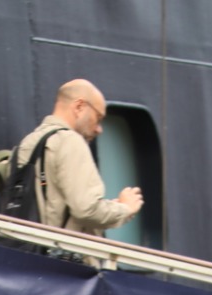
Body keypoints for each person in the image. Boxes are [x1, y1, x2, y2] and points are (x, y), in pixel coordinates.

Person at [12, 79, 142, 237]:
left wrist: (106, 207)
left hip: (27, 249)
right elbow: (86, 210)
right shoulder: (70, 141)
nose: (99, 129)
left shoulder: (27, 143)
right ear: (79, 107)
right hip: (59, 256)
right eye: (98, 118)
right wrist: (125, 208)